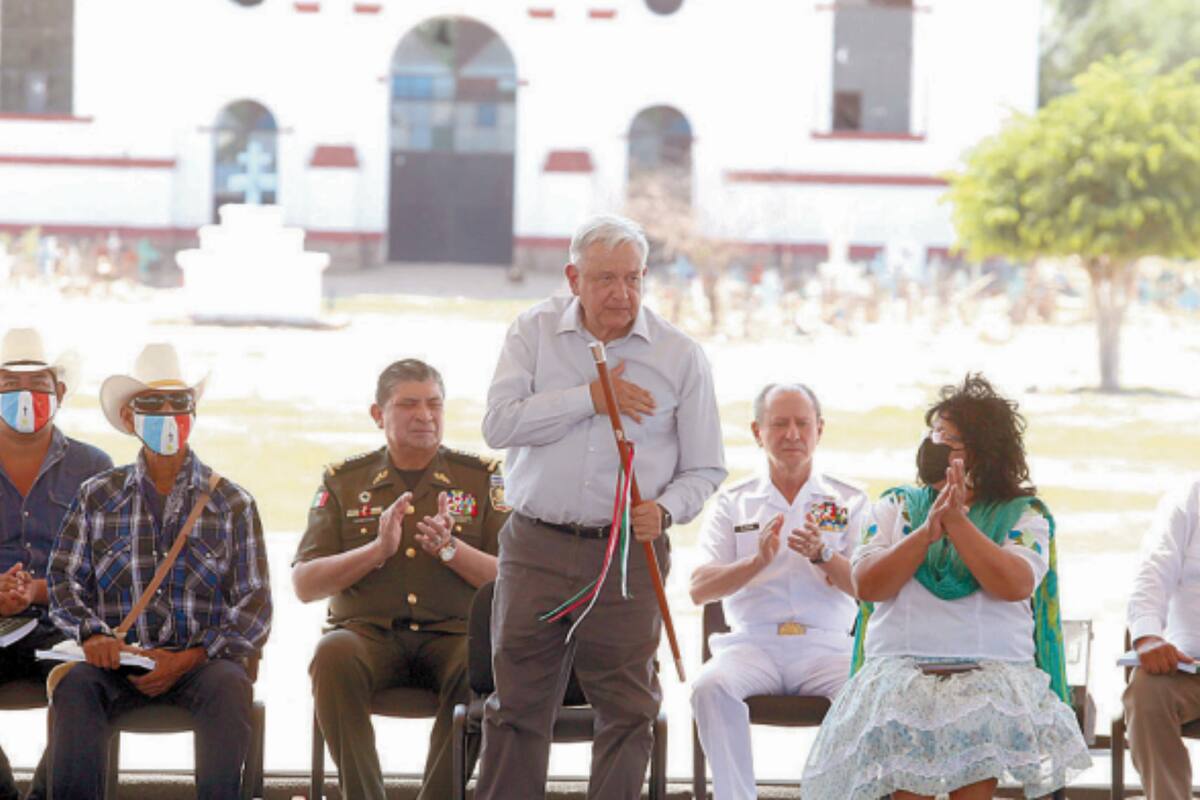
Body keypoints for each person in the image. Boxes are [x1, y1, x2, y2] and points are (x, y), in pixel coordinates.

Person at [475, 214, 727, 799]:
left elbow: (706, 468)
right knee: (516, 707)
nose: (622, 293)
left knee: (629, 710)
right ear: (573, 279)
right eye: (606, 279)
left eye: (633, 278)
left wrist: (666, 509)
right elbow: (499, 425)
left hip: (629, 555)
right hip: (536, 546)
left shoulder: (679, 355)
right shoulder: (533, 332)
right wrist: (591, 398)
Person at [801, 374, 1090, 800]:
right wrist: (926, 532)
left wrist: (958, 522)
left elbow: (1014, 583)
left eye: (949, 442)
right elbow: (868, 584)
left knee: (972, 773)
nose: (934, 448)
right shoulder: (897, 506)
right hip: (900, 677)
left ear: (984, 452)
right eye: (933, 437)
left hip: (989, 677)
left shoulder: (1022, 515)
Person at [46, 343, 272, 800]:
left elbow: (255, 606)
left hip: (200, 665)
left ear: (193, 414)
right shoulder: (97, 496)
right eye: (153, 404)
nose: (168, 415)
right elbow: (62, 582)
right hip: (116, 663)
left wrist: (192, 657)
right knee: (74, 688)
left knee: (230, 685)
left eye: (179, 403)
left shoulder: (232, 502)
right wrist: (93, 635)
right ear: (130, 418)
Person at [293, 359, 506, 800]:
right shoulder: (344, 481)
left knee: (482, 665)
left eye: (434, 404)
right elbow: (305, 584)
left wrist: (452, 549)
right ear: (378, 414)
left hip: (454, 636)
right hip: (368, 636)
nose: (424, 415)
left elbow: (514, 579)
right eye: (409, 404)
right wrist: (376, 551)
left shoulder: (481, 479)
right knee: (332, 653)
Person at [689, 382, 866, 800]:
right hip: (753, 645)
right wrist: (755, 563)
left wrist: (824, 555)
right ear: (758, 431)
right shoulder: (734, 502)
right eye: (780, 424)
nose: (792, 434)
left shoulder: (848, 500)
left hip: (827, 646)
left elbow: (871, 588)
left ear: (819, 429)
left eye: (802, 424)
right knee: (709, 687)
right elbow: (698, 589)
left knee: (866, 691)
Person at [0, 328, 112, 800]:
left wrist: (41, 590)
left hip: (65, 626)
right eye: (9, 385)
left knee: (89, 680)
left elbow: (110, 568)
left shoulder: (94, 467)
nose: (24, 397)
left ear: (60, 392)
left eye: (38, 385)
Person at [1122, 479, 1200, 799]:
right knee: (1147, 690)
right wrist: (1148, 636)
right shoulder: (1188, 500)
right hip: (1192, 667)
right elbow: (1152, 571)